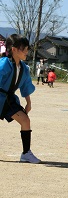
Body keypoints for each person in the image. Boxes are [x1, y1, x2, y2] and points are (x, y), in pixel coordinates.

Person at [0, 34, 40, 163]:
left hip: (8, 99)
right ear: (14, 49)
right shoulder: (3, 65)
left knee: (25, 120)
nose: (26, 52)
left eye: (27, 49)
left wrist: (28, 102)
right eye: (24, 49)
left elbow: (26, 85)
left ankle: (26, 153)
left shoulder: (24, 68)